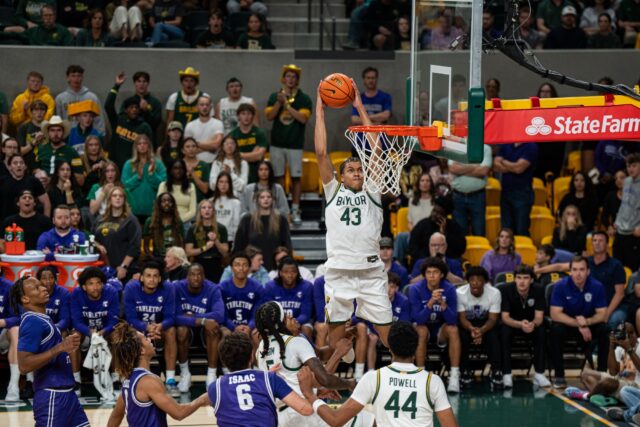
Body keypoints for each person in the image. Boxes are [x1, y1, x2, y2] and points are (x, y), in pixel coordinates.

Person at [314, 79, 391, 355]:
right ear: (342, 176)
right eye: (351, 169)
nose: (358, 172)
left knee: (387, 336)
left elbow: (377, 151)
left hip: (370, 271)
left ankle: (405, 378)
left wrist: (359, 106)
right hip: (338, 272)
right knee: (337, 346)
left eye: (360, 168)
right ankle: (330, 384)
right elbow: (321, 153)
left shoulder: (372, 190)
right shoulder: (333, 191)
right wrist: (320, 110)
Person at [297, 320, 458, 427]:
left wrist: (310, 395)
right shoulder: (432, 381)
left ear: (390, 348)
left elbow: (335, 420)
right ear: (416, 348)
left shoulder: (374, 378)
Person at [254, 301, 356, 426]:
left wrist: (338, 343)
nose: (291, 317)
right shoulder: (295, 342)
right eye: (286, 317)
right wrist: (350, 383)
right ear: (281, 324)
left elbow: (318, 357)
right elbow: (323, 379)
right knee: (363, 420)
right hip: (302, 412)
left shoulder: (261, 349)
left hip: (280, 417)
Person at [11, 276, 89, 425]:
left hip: (68, 395)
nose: (44, 288)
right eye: (36, 288)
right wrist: (60, 348)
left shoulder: (43, 319)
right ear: (25, 299)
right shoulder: (32, 322)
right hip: (52, 397)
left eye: (41, 285)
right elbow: (24, 365)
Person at [107, 322, 209, 427]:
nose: (150, 339)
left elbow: (116, 416)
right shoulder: (149, 381)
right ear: (141, 350)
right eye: (146, 339)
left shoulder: (128, 381)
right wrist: (202, 400)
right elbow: (179, 413)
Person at [207, 332, 313, 426]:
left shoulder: (214, 387)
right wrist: (310, 393)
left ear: (223, 362)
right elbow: (306, 410)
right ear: (251, 357)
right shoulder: (269, 379)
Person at [550, 256, 609, 388]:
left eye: (582, 269)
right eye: (574, 269)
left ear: (588, 271)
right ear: (570, 271)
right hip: (568, 324)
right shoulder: (560, 286)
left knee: (604, 329)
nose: (578, 273)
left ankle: (602, 374)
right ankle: (559, 376)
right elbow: (555, 314)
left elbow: (602, 314)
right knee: (555, 330)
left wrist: (587, 322)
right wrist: (580, 324)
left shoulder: (597, 286)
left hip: (589, 323)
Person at [265, 64, 312, 225]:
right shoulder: (274, 96)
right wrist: (279, 103)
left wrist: (286, 105)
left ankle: (295, 208)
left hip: (295, 144)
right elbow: (269, 117)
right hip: (277, 144)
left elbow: (303, 118)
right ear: (283, 79)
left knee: (295, 178)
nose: (290, 79)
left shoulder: (304, 98)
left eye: (294, 77)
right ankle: (280, 207)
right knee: (277, 176)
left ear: (297, 80)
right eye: (288, 76)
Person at [124, 261, 179, 396]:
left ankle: (170, 379)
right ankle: (128, 377)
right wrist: (146, 327)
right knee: (127, 330)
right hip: (139, 329)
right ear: (141, 277)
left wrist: (160, 326)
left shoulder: (168, 288)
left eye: (155, 276)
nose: (152, 279)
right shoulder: (131, 288)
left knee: (171, 329)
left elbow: (171, 317)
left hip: (159, 331)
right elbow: (130, 318)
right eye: (148, 275)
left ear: (160, 278)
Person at [407, 256, 461, 391]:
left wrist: (442, 304)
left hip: (440, 330)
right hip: (422, 328)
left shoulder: (449, 289)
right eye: (428, 272)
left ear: (442, 274)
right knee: (421, 330)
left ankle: (454, 376)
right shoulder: (415, 289)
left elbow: (453, 319)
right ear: (424, 274)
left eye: (435, 272)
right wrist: (431, 302)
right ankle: (420, 374)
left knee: (453, 329)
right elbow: (418, 319)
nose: (432, 276)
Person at [564, 322, 640, 413]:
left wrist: (629, 349)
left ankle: (586, 396)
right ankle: (608, 398)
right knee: (586, 375)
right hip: (621, 382)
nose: (620, 336)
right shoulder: (620, 348)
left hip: (635, 386)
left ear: (633, 334)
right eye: (618, 333)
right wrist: (611, 347)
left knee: (607, 382)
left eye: (623, 334)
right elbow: (613, 372)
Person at [174, 263, 225, 389]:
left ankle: (211, 375)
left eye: (199, 275)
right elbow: (172, 316)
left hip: (205, 332)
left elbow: (219, 315)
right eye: (192, 274)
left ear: (204, 277)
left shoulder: (213, 288)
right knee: (181, 330)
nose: (196, 278)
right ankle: (185, 374)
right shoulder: (176, 288)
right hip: (187, 332)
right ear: (187, 277)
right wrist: (201, 320)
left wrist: (192, 317)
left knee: (213, 327)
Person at [500, 264, 550, 388]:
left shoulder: (538, 289)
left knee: (541, 331)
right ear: (515, 279)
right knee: (503, 332)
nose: (522, 281)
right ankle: (506, 374)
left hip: (530, 324)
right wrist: (520, 324)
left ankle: (539, 373)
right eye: (519, 277)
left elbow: (539, 317)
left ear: (531, 280)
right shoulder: (505, 290)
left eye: (526, 278)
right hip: (512, 324)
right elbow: (505, 317)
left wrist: (533, 324)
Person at [70, 267, 119, 390]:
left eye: (98, 283)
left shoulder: (111, 292)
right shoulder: (76, 294)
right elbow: (76, 321)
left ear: (102, 284)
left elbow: (114, 319)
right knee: (73, 337)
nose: (95, 287)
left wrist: (104, 331)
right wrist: (89, 332)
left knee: (117, 335)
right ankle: (76, 380)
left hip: (105, 331)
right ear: (84, 287)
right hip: (85, 332)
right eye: (91, 284)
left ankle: (116, 378)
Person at [457, 266, 503, 389]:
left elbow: (493, 319)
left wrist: (481, 331)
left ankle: (496, 370)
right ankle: (464, 371)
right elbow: (462, 318)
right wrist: (472, 329)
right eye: (472, 279)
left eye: (479, 280)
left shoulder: (494, 293)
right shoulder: (460, 293)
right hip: (467, 324)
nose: (475, 283)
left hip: (486, 323)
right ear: (468, 281)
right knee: (461, 337)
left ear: (485, 282)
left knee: (494, 336)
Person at [105, 72, 154, 171]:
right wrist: (116, 86)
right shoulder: (119, 120)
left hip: (133, 168)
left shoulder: (144, 127)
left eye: (136, 107)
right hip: (114, 166)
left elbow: (149, 149)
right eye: (131, 107)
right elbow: (108, 106)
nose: (134, 110)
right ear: (126, 110)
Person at [235, 188, 291, 271]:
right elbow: (239, 246)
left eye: (268, 197)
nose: (266, 199)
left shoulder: (281, 220)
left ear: (273, 200)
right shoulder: (247, 220)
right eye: (262, 197)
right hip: (252, 268)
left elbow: (287, 245)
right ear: (257, 200)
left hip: (275, 268)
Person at [93, 186, 142, 281]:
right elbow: (92, 238)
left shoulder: (131, 220)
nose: (118, 198)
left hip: (122, 269)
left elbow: (135, 246)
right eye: (114, 195)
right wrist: (98, 245)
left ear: (124, 200)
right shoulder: (100, 219)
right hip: (102, 268)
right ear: (109, 199)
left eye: (121, 196)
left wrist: (124, 266)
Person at [262, 257, 314, 338]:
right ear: (280, 272)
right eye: (286, 272)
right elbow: (269, 313)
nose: (290, 275)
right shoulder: (270, 286)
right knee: (260, 332)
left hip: (300, 322)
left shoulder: (307, 286)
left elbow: (305, 314)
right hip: (277, 322)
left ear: (297, 273)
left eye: (293, 272)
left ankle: (306, 350)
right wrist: (281, 324)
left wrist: (292, 323)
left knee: (306, 328)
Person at [493, 142, 538, 236]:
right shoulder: (506, 144)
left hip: (522, 193)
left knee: (521, 229)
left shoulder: (531, 146)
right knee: (506, 230)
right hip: (505, 192)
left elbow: (519, 169)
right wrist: (513, 166)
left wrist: (503, 161)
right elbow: (496, 166)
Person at [449, 142, 493, 236]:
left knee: (479, 231)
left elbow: (483, 171)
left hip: (478, 196)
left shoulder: (485, 148)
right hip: (458, 196)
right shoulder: (454, 147)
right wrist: (474, 166)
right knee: (458, 234)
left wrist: (461, 168)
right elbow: (453, 168)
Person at [122, 134, 167, 224]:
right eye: (139, 144)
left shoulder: (158, 164)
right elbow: (124, 185)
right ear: (136, 147)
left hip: (153, 210)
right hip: (133, 211)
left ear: (149, 146)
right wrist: (137, 177)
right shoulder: (129, 164)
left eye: (145, 143)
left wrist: (152, 175)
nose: (142, 146)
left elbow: (163, 185)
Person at [219, 252, 265, 335]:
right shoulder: (222, 287)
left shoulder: (257, 287)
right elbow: (222, 314)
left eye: (245, 265)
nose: (241, 268)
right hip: (228, 326)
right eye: (237, 265)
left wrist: (249, 327)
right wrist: (233, 327)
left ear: (249, 268)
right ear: (231, 268)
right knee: (226, 334)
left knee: (257, 335)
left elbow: (257, 313)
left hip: (250, 327)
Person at [409, 195, 466, 262]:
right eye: (434, 211)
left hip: (447, 261)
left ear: (444, 215)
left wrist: (444, 234)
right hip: (424, 261)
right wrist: (426, 260)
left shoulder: (453, 226)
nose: (434, 214)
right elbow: (413, 246)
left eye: (439, 213)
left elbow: (460, 249)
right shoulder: (423, 224)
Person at [185, 199, 229, 282]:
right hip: (198, 263)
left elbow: (225, 252)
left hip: (216, 263)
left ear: (213, 211)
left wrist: (216, 240)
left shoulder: (221, 228)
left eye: (209, 208)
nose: (207, 210)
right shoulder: (193, 228)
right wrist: (205, 248)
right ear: (200, 211)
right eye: (204, 207)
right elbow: (188, 251)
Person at [54, 65, 105, 134]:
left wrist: (100, 135)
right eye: (73, 76)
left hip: (89, 137)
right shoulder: (60, 98)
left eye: (79, 76)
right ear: (68, 78)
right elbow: (58, 121)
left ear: (82, 78)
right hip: (68, 136)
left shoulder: (92, 97)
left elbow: (99, 119)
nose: (76, 79)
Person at [36, 116, 84, 185]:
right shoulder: (41, 149)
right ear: (48, 133)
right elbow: (35, 169)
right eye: (52, 130)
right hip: (43, 189)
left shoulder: (72, 152)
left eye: (59, 130)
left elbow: (80, 179)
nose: (56, 134)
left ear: (63, 132)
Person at [0, 154, 51, 218]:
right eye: (15, 163)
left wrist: (46, 222)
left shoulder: (33, 181)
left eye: (21, 163)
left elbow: (46, 203)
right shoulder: (2, 181)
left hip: (30, 221)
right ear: (10, 167)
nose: (19, 165)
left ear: (25, 166)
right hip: (6, 222)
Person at [613, 153, 640, 271]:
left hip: (634, 233)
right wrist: (617, 221)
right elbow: (623, 205)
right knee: (618, 266)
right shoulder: (627, 181)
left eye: (634, 166)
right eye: (628, 166)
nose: (631, 169)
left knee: (631, 268)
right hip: (620, 231)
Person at [122, 71, 163, 146]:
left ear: (148, 84)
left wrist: (146, 111)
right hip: (130, 140)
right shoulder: (128, 102)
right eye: (139, 81)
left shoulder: (155, 103)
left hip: (149, 142)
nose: (141, 84)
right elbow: (122, 121)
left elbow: (156, 124)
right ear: (135, 83)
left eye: (144, 81)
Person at [184, 95, 224, 164]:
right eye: (202, 105)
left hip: (214, 163)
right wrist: (210, 145)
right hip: (195, 163)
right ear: (197, 107)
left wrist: (196, 144)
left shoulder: (218, 123)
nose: (204, 107)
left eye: (207, 105)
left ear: (211, 107)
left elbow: (216, 145)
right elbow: (188, 150)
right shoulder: (190, 125)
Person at [143, 192, 184, 257]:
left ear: (173, 204)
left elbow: (182, 244)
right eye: (163, 201)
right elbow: (146, 247)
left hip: (175, 258)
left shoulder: (178, 222)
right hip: (157, 258)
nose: (167, 203)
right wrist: (154, 259)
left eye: (169, 201)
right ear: (159, 204)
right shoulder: (150, 221)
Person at [157, 159, 197, 224]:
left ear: (184, 170)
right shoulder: (163, 186)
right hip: (166, 222)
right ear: (170, 170)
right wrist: (169, 221)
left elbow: (193, 211)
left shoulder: (191, 186)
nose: (178, 171)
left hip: (185, 222)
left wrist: (179, 221)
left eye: (181, 168)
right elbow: (158, 206)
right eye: (175, 168)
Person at [0, 275, 19, 401]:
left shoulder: (9, 286)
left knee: (16, 330)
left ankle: (13, 387)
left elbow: (18, 317)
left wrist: (3, 322)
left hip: (2, 334)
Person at [16, 99, 48, 169]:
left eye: (42, 110)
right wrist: (33, 143)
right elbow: (19, 152)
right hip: (28, 166)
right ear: (31, 112)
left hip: (46, 165)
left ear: (45, 112)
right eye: (36, 110)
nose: (39, 113)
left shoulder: (50, 128)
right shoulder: (23, 128)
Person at [212, 172, 242, 244]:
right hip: (213, 238)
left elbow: (236, 225)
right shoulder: (211, 202)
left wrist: (235, 242)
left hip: (229, 239)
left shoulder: (236, 202)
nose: (223, 185)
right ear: (217, 184)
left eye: (226, 182)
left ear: (230, 185)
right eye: (221, 182)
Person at [181, 137, 211, 201]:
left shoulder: (204, 165)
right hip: (182, 202)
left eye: (193, 146)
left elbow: (205, 190)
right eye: (187, 147)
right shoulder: (178, 165)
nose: (191, 149)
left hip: (199, 202)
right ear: (183, 150)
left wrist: (193, 173)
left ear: (197, 149)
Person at [602, 169, 627, 236]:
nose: (618, 180)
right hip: (617, 232)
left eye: (622, 178)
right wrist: (609, 227)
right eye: (616, 178)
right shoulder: (610, 196)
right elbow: (604, 216)